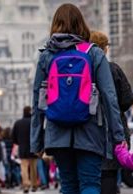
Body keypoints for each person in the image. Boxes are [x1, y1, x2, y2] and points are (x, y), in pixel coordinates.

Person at [31, 4, 125, 194]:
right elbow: (109, 97)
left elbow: (37, 100)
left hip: (57, 132)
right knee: (90, 184)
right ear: (81, 24)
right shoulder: (94, 53)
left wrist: (37, 141)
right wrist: (118, 136)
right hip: (90, 130)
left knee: (68, 185)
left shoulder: (47, 56)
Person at [90, 31, 133, 194]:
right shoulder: (113, 69)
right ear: (104, 48)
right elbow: (127, 98)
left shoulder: (83, 70)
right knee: (109, 171)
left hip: (88, 130)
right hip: (113, 129)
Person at [13, 106, 38, 193]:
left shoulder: (18, 123)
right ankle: (34, 184)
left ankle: (26, 185)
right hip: (33, 147)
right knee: (33, 167)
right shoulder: (33, 122)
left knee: (24, 168)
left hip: (23, 148)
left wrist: (19, 142)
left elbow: (14, 137)